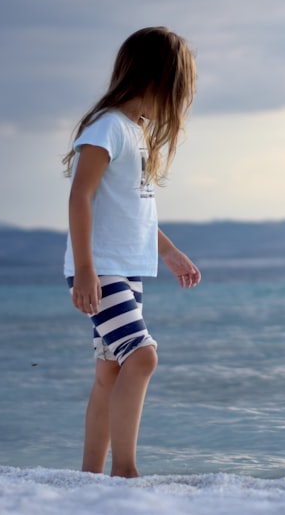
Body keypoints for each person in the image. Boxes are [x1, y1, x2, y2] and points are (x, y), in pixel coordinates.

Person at [62, 26, 201, 478]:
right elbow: (80, 196)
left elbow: (136, 212)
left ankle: (90, 476)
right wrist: (85, 270)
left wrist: (170, 252)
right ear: (160, 80)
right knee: (142, 356)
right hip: (100, 268)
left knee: (110, 372)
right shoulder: (107, 129)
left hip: (124, 269)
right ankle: (125, 471)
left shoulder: (136, 132)